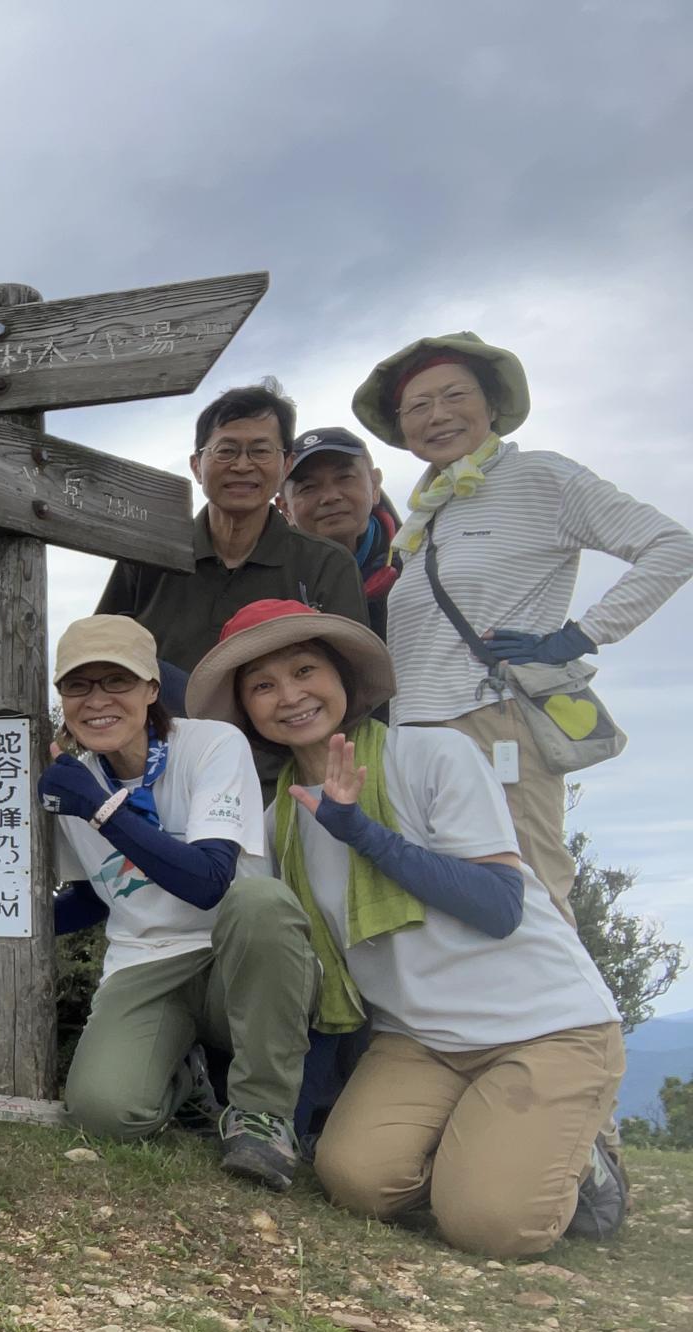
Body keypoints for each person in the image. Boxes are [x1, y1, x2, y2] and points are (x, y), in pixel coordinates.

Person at [187, 598, 629, 1254]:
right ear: (246, 710)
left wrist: (362, 832)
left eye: (305, 670)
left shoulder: (432, 754)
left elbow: (499, 904)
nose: (290, 696)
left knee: (489, 1224)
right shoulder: (281, 818)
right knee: (356, 1180)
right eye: (262, 686)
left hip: (545, 1026)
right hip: (419, 1040)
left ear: (342, 677)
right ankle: (488, 1144)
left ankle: (581, 1163)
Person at [352, 331, 693, 924]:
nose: (437, 415)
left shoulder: (540, 477)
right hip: (415, 734)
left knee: (532, 896)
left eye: (454, 395)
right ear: (402, 427)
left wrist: (579, 636)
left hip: (495, 720)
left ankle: (571, 993)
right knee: (453, 910)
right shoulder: (428, 511)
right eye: (418, 405)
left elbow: (672, 546)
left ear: (491, 404)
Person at [39, 615, 315, 1191]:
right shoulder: (74, 782)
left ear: (151, 689)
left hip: (235, 957)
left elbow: (211, 879)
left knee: (262, 900)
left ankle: (261, 1116)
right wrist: (3, 925)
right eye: (77, 685)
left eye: (117, 681)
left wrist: (101, 809)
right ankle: (183, 1076)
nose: (97, 700)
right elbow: (96, 897)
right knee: (103, 1113)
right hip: (146, 963)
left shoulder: (212, 744)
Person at [97, 382, 365, 674]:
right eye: (226, 451)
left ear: (286, 466)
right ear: (197, 466)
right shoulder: (148, 554)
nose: (242, 465)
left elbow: (350, 679)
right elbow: (99, 658)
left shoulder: (328, 564)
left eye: (260, 451)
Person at [280, 426, 401, 638]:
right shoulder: (271, 584)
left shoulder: (421, 559)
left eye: (345, 477)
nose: (330, 497)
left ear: (374, 486)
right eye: (308, 487)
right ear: (285, 509)